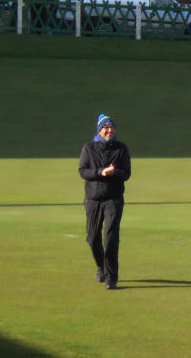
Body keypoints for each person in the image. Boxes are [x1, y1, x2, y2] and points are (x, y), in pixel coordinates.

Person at [78, 114, 131, 290]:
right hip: (93, 199)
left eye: (111, 127)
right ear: (99, 130)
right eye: (105, 127)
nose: (109, 130)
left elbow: (126, 174)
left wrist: (114, 173)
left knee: (111, 238)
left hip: (113, 199)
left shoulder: (121, 149)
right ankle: (101, 267)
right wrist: (101, 172)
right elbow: (83, 171)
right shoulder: (88, 148)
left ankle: (111, 277)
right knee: (92, 237)